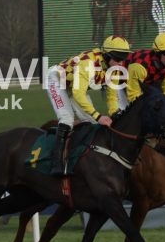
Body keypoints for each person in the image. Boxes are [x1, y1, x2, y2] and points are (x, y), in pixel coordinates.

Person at [42, 36, 130, 175]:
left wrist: (115, 113)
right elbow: (78, 94)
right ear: (107, 55)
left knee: (91, 123)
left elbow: (112, 96)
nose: (121, 63)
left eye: (123, 59)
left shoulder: (115, 68)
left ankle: (81, 156)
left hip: (75, 86)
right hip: (57, 80)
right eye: (118, 59)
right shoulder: (88, 63)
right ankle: (56, 162)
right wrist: (99, 116)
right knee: (67, 118)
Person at [124, 31, 165, 106]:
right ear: (158, 53)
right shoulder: (139, 66)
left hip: (145, 81)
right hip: (120, 82)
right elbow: (133, 96)